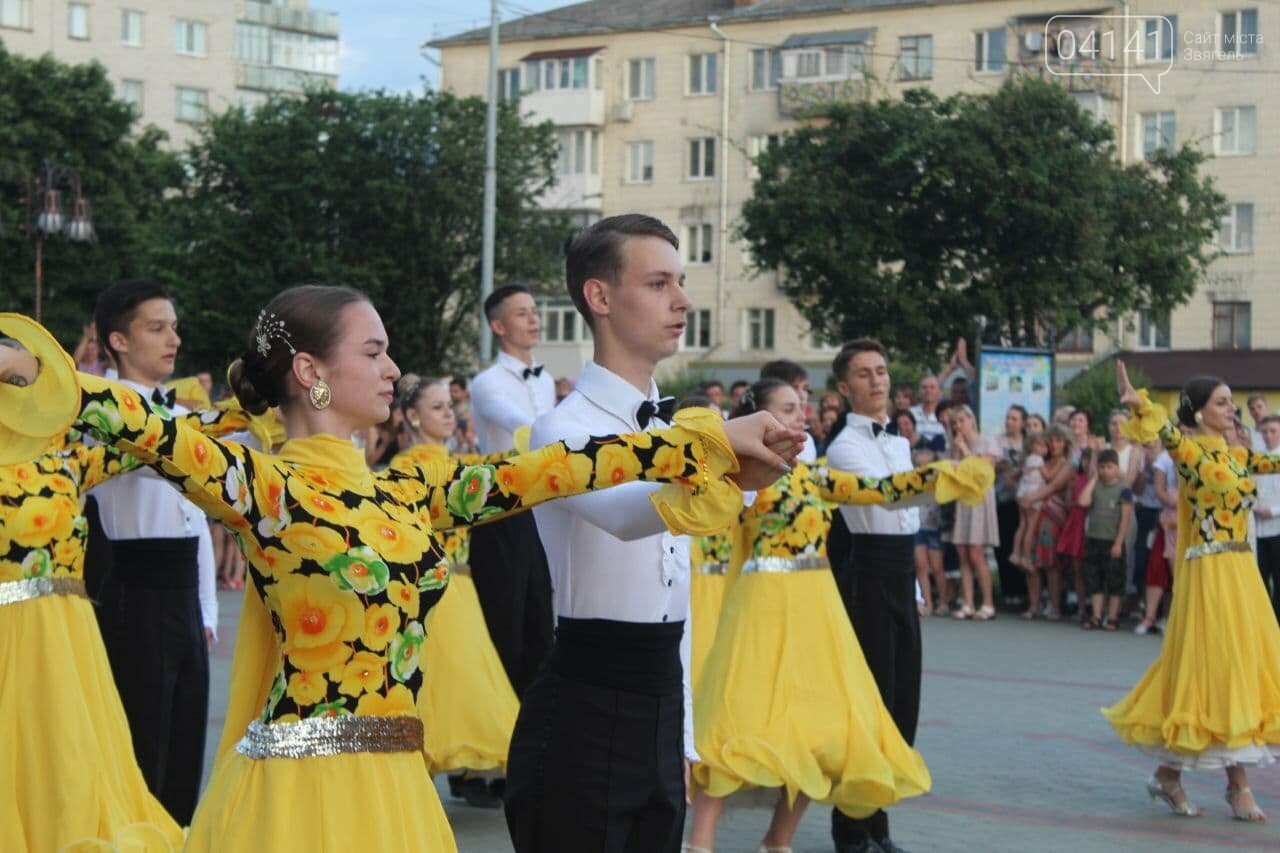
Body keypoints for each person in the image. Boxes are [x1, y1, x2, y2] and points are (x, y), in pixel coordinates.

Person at [0, 286, 797, 851]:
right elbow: (140, 420)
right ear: (312, 371)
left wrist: (714, 442)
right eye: (374, 351)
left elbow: (562, 467)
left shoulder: (420, 485)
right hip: (297, 795)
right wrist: (27, 370)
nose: (394, 368)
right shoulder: (267, 489)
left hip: (397, 784)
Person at [506, 215, 805, 852]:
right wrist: (724, 451)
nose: (683, 301)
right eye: (659, 282)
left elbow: (678, 592)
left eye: (681, 282)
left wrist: (686, 732)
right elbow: (629, 515)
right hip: (585, 703)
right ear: (601, 297)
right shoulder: (561, 428)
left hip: (662, 701)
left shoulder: (683, 427)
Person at [687, 379, 990, 852]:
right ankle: (700, 843)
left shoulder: (816, 477)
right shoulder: (738, 476)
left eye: (801, 406)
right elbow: (702, 526)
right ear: (759, 419)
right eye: (787, 409)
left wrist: (950, 474)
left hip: (816, 613)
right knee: (737, 723)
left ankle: (777, 842)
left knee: (822, 731)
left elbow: (885, 489)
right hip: (761, 611)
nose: (799, 414)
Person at [0, 325, 249, 851]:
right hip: (9, 645)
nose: (21, 390)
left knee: (69, 759)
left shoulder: (66, 462)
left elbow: (168, 439)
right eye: (9, 378)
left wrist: (247, 402)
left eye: (27, 378)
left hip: (71, 647)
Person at [1105, 363, 1280, 822]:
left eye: (1231, 402)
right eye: (1221, 402)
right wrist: (1138, 400)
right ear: (1200, 413)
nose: (1231, 409)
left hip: (1243, 573)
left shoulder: (1240, 456)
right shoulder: (1188, 452)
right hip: (1209, 575)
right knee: (1218, 670)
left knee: (1237, 668)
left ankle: (1169, 775)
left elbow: (1277, 460)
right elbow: (1163, 428)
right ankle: (1237, 786)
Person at [88, 279, 220, 825]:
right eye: (156, 327)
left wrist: (208, 608)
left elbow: (202, 511)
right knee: (143, 738)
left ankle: (178, 834)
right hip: (133, 591)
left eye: (174, 326)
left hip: (183, 585)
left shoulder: (182, 413)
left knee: (187, 732)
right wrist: (215, 424)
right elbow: (159, 459)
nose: (174, 339)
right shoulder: (97, 406)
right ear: (118, 340)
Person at [826, 338, 951, 853]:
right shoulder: (843, 447)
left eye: (880, 371)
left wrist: (918, 583)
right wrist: (946, 479)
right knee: (869, 703)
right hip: (868, 575)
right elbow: (886, 495)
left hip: (901, 570)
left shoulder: (900, 441)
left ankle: (880, 825)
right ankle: (852, 829)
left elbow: (908, 519)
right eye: (863, 373)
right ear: (844, 386)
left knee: (903, 703)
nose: (876, 381)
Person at [390, 376, 517, 808]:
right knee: (435, 688)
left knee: (467, 687)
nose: (449, 414)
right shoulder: (407, 468)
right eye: (438, 407)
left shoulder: (461, 464)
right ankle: (411, 781)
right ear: (412, 416)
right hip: (429, 594)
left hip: (461, 589)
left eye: (450, 406)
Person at [466, 283, 557, 699]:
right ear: (498, 325)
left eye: (535, 311)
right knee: (505, 620)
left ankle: (538, 723)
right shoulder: (487, 383)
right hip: (501, 509)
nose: (534, 319)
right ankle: (497, 731)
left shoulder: (547, 380)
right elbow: (529, 430)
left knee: (542, 620)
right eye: (522, 313)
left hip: (542, 508)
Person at [947, 404, 1000, 621]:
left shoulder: (987, 441)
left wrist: (965, 450)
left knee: (976, 552)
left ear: (971, 419)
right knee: (962, 551)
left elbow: (982, 471)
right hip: (962, 499)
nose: (958, 426)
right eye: (954, 423)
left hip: (980, 499)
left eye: (961, 420)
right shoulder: (955, 445)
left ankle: (988, 603)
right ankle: (967, 602)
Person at [1077, 448, 1134, 630]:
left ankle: (1112, 616)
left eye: (1109, 467)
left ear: (1117, 468)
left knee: (1114, 580)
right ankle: (1096, 615)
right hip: (1094, 539)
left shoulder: (1123, 489)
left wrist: (1119, 542)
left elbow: (1125, 518)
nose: (1105, 471)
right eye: (1102, 467)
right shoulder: (1097, 487)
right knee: (1094, 579)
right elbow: (1083, 502)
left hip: (1112, 541)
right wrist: (1093, 479)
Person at [1253, 415, 1280, 622]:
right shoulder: (1257, 459)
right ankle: (1264, 624)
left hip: (1277, 527)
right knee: (1259, 580)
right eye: (1265, 432)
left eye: (1273, 431)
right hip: (1259, 530)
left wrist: (1273, 511)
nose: (1268, 436)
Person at [1010, 431, 1049, 571]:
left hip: (1022, 493)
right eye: (1042, 445)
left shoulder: (1026, 459)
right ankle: (1026, 558)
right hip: (1032, 496)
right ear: (1033, 446)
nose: (1045, 449)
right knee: (1031, 527)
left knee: (1022, 525)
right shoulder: (1038, 460)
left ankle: (1016, 553)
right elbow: (1048, 475)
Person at [909, 374, 945, 447]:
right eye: (924, 387)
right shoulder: (910, 413)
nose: (928, 390)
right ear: (919, 391)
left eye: (932, 387)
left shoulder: (945, 414)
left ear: (940, 392)